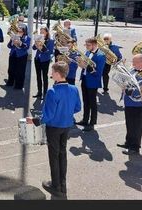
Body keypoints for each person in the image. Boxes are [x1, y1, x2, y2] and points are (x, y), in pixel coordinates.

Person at [27, 61, 81, 197]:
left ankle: (56, 186)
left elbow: (48, 115)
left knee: (54, 156)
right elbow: (77, 108)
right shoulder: (74, 89)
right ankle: (62, 184)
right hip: (67, 125)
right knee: (62, 154)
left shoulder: (52, 91)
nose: (51, 74)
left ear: (57, 74)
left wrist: (34, 121)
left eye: (52, 72)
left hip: (54, 128)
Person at [117, 54, 142, 155]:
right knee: (129, 124)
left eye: (134, 62)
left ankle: (135, 147)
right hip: (129, 102)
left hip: (138, 105)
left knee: (136, 126)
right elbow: (127, 80)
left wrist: (130, 91)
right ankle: (128, 142)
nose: (132, 64)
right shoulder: (134, 70)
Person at [75, 37, 106, 131]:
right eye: (86, 45)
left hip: (93, 81)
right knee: (85, 101)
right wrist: (80, 62)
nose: (86, 47)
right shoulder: (88, 52)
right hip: (84, 78)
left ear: (94, 45)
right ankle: (85, 119)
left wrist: (87, 67)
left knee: (92, 102)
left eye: (88, 45)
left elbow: (98, 72)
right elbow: (84, 65)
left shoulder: (101, 55)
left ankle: (92, 123)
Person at [6, 24, 30, 90]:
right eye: (18, 31)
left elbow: (26, 47)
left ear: (24, 32)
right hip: (13, 55)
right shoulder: (15, 36)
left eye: (21, 31)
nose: (19, 33)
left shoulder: (27, 38)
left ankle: (19, 85)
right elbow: (9, 46)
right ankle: (10, 82)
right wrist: (12, 42)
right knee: (11, 70)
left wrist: (20, 43)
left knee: (20, 71)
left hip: (22, 56)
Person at [32, 26, 54, 98]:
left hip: (45, 60)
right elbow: (33, 48)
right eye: (40, 32)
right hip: (37, 59)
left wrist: (42, 47)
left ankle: (45, 93)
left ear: (47, 32)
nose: (41, 33)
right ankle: (39, 92)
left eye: (43, 32)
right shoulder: (38, 39)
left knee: (44, 77)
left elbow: (50, 52)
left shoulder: (50, 41)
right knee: (38, 76)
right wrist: (36, 43)